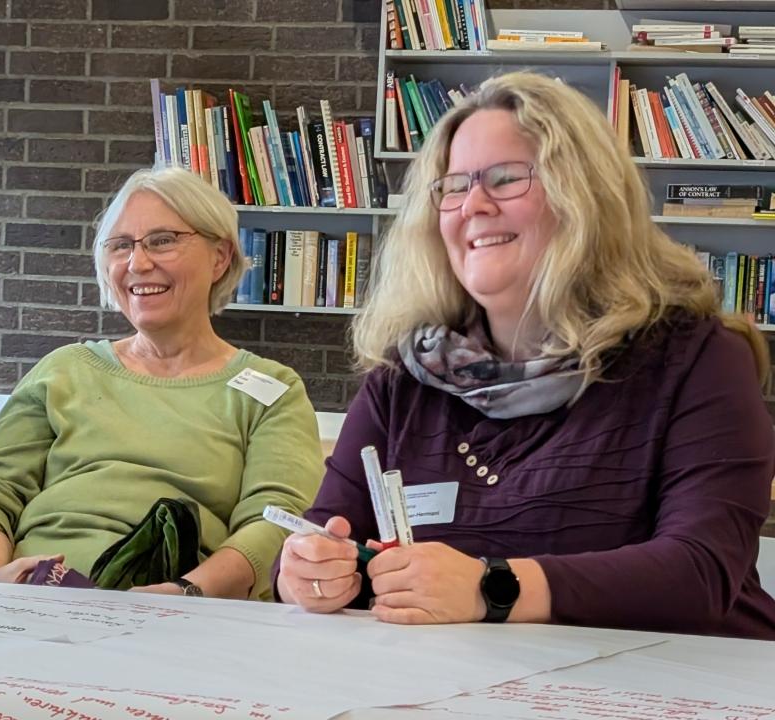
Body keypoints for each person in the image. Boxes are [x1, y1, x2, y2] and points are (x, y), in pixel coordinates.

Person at [275, 71, 775, 639]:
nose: (473, 206)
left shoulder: (697, 359)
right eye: (454, 186)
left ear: (586, 197)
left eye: (507, 179)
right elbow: (316, 538)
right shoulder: (404, 379)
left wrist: (492, 587)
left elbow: (701, 573)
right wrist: (307, 573)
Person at [0, 167, 323, 600]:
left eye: (163, 241)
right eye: (121, 245)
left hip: (181, 617)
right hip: (32, 601)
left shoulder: (272, 391)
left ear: (220, 257)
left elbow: (276, 519)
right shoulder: (64, 370)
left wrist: (185, 592)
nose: (137, 263)